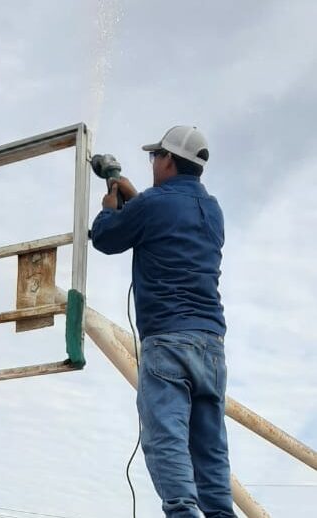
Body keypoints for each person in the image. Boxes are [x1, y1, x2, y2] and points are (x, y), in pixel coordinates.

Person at [90, 126, 236, 517]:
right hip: (210, 347)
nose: (153, 162)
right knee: (210, 451)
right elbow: (170, 223)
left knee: (166, 440)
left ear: (168, 160)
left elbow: (105, 237)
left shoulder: (152, 205)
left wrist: (110, 204)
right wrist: (137, 198)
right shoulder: (212, 210)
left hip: (168, 344)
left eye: (155, 156)